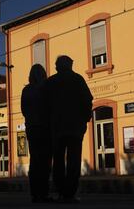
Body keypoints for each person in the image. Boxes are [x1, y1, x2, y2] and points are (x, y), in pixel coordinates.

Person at [45, 55, 93, 203]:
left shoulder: (51, 82)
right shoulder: (78, 80)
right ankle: (70, 193)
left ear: (57, 66)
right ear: (70, 65)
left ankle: (60, 191)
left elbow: (45, 106)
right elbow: (87, 101)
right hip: (75, 129)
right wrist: (84, 120)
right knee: (74, 160)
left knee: (58, 161)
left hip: (57, 129)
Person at [21, 64, 52, 203]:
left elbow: (24, 110)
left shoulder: (26, 90)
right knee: (45, 161)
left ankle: (35, 193)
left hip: (32, 128)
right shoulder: (47, 89)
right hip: (45, 128)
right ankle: (43, 193)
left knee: (35, 160)